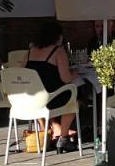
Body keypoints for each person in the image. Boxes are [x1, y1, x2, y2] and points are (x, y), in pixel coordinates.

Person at [26, 20, 78, 152]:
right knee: (74, 99)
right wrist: (74, 74)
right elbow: (65, 79)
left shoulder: (31, 51)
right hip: (51, 99)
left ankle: (46, 134)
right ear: (58, 36)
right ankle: (63, 138)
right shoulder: (58, 51)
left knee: (44, 93)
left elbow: (23, 72)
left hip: (32, 99)